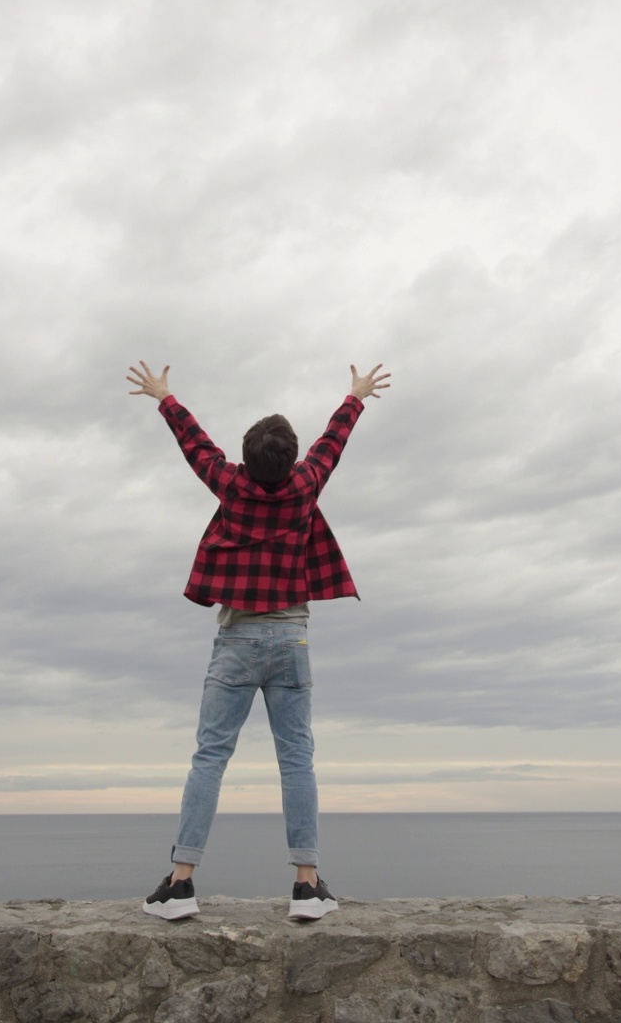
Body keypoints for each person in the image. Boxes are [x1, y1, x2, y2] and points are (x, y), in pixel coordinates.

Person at [126, 358, 391, 921]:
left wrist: (164, 397)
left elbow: (196, 447)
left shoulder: (230, 484)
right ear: (291, 460)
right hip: (291, 640)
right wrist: (356, 396)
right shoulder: (304, 486)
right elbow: (332, 442)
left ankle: (180, 885)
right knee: (297, 759)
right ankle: (307, 886)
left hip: (237, 640)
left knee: (209, 757)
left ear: (244, 459)